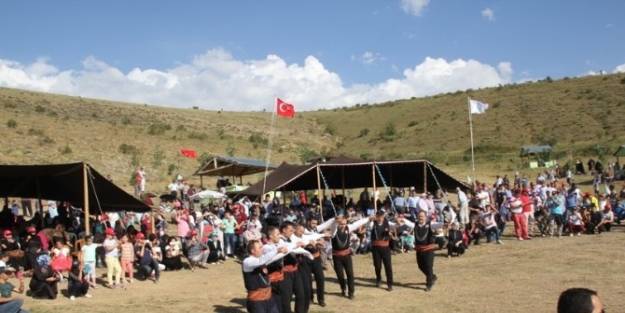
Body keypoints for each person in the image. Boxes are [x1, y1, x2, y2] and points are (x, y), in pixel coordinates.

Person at [316, 212, 370, 299]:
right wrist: (335, 219)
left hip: (347, 255)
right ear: (338, 223)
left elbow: (357, 223)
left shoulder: (348, 228)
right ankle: (343, 288)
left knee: (350, 274)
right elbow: (333, 225)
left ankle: (351, 292)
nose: (343, 225)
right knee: (340, 275)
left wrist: (368, 219)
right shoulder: (334, 231)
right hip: (337, 257)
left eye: (345, 223)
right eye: (341, 224)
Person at [242, 240, 287, 313]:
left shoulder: (261, 258)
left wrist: (285, 250)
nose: (262, 249)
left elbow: (273, 258)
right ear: (252, 251)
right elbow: (261, 261)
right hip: (257, 301)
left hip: (269, 298)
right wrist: (277, 250)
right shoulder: (247, 261)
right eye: (259, 248)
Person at [412, 210, 439, 291]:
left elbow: (438, 225)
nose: (420, 218)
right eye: (419, 216)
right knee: (420, 266)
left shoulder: (430, 224)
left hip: (429, 249)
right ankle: (432, 277)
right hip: (419, 249)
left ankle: (429, 284)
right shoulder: (415, 225)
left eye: (422, 216)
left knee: (428, 266)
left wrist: (444, 224)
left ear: (425, 217)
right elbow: (407, 224)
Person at [369, 210, 394, 291]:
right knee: (377, 266)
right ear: (376, 217)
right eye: (378, 217)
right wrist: (370, 220)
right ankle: (378, 278)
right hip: (376, 248)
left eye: (381, 217)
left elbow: (394, 226)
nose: (380, 218)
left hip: (385, 247)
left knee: (388, 266)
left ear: (383, 217)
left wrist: (391, 233)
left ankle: (389, 284)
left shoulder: (387, 223)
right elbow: (368, 226)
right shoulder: (373, 224)